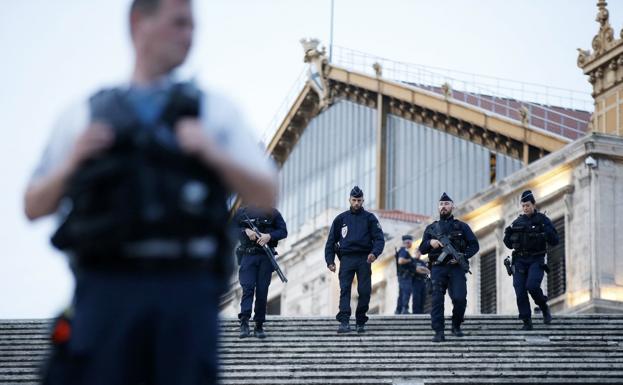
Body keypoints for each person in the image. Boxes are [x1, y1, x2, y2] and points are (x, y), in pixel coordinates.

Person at [24, 0, 275, 383]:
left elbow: (268, 192)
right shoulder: (86, 114)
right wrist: (72, 161)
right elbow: (33, 205)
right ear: (138, 22)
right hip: (106, 288)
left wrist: (212, 152)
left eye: (192, 26)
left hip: (185, 289)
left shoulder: (212, 111)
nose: (189, 36)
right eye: (178, 24)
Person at [418, 193, 479, 343]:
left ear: (452, 206)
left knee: (459, 299)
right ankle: (439, 331)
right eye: (441, 204)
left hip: (456, 267)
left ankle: (456, 325)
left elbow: (474, 245)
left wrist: (463, 256)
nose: (443, 206)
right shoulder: (431, 228)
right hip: (438, 268)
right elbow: (422, 249)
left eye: (446, 204)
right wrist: (430, 242)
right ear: (438, 207)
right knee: (437, 300)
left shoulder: (462, 226)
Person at [324, 186, 385, 334]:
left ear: (363, 200)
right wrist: (330, 261)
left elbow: (379, 239)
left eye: (359, 200)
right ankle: (344, 321)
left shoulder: (370, 219)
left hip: (365, 259)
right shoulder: (341, 219)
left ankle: (360, 321)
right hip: (346, 259)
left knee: (364, 291)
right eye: (354, 200)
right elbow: (331, 242)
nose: (356, 203)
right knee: (345, 290)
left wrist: (374, 254)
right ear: (349, 200)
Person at [503, 190, 559, 330]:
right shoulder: (517, 222)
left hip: (536, 259)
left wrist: (546, 233)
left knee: (532, 286)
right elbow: (510, 244)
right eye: (523, 206)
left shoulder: (542, 220)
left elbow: (555, 240)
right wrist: (507, 234)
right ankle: (526, 320)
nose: (525, 208)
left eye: (527, 205)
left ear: (534, 205)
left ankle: (543, 306)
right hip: (520, 260)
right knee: (520, 290)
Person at [233, 204, 287, 339]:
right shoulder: (242, 212)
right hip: (248, 256)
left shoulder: (273, 212)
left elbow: (283, 231)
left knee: (262, 291)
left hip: (265, 257)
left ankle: (259, 324)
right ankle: (244, 322)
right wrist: (245, 231)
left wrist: (269, 236)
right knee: (248, 288)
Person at [410, 249, 430, 314]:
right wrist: (422, 270)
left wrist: (422, 269)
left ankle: (421, 312)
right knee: (416, 298)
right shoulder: (412, 261)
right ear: (415, 253)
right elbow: (416, 269)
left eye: (419, 252)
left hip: (423, 282)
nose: (418, 253)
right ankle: (416, 313)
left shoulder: (422, 262)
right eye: (417, 252)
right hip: (415, 282)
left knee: (423, 298)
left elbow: (428, 271)